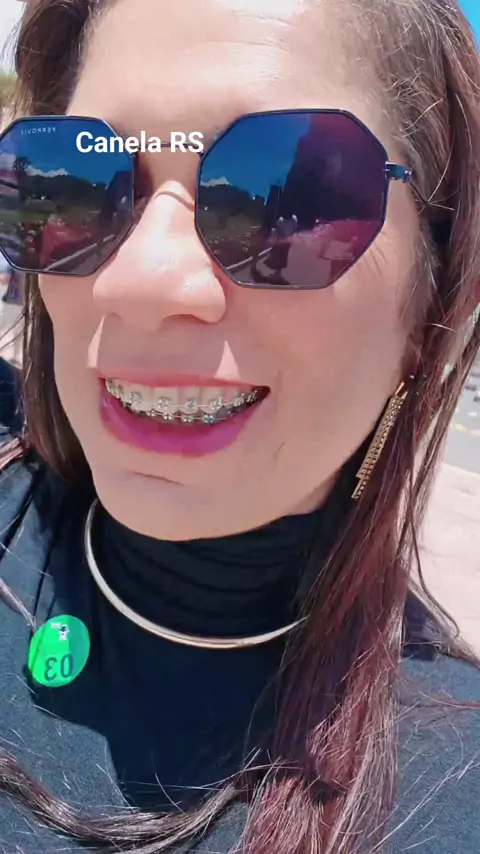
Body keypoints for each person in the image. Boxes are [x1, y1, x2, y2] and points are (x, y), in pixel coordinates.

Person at [0, 1, 479, 853]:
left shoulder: (452, 797)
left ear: (429, 300)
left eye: (287, 195)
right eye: (75, 178)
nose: (142, 281)